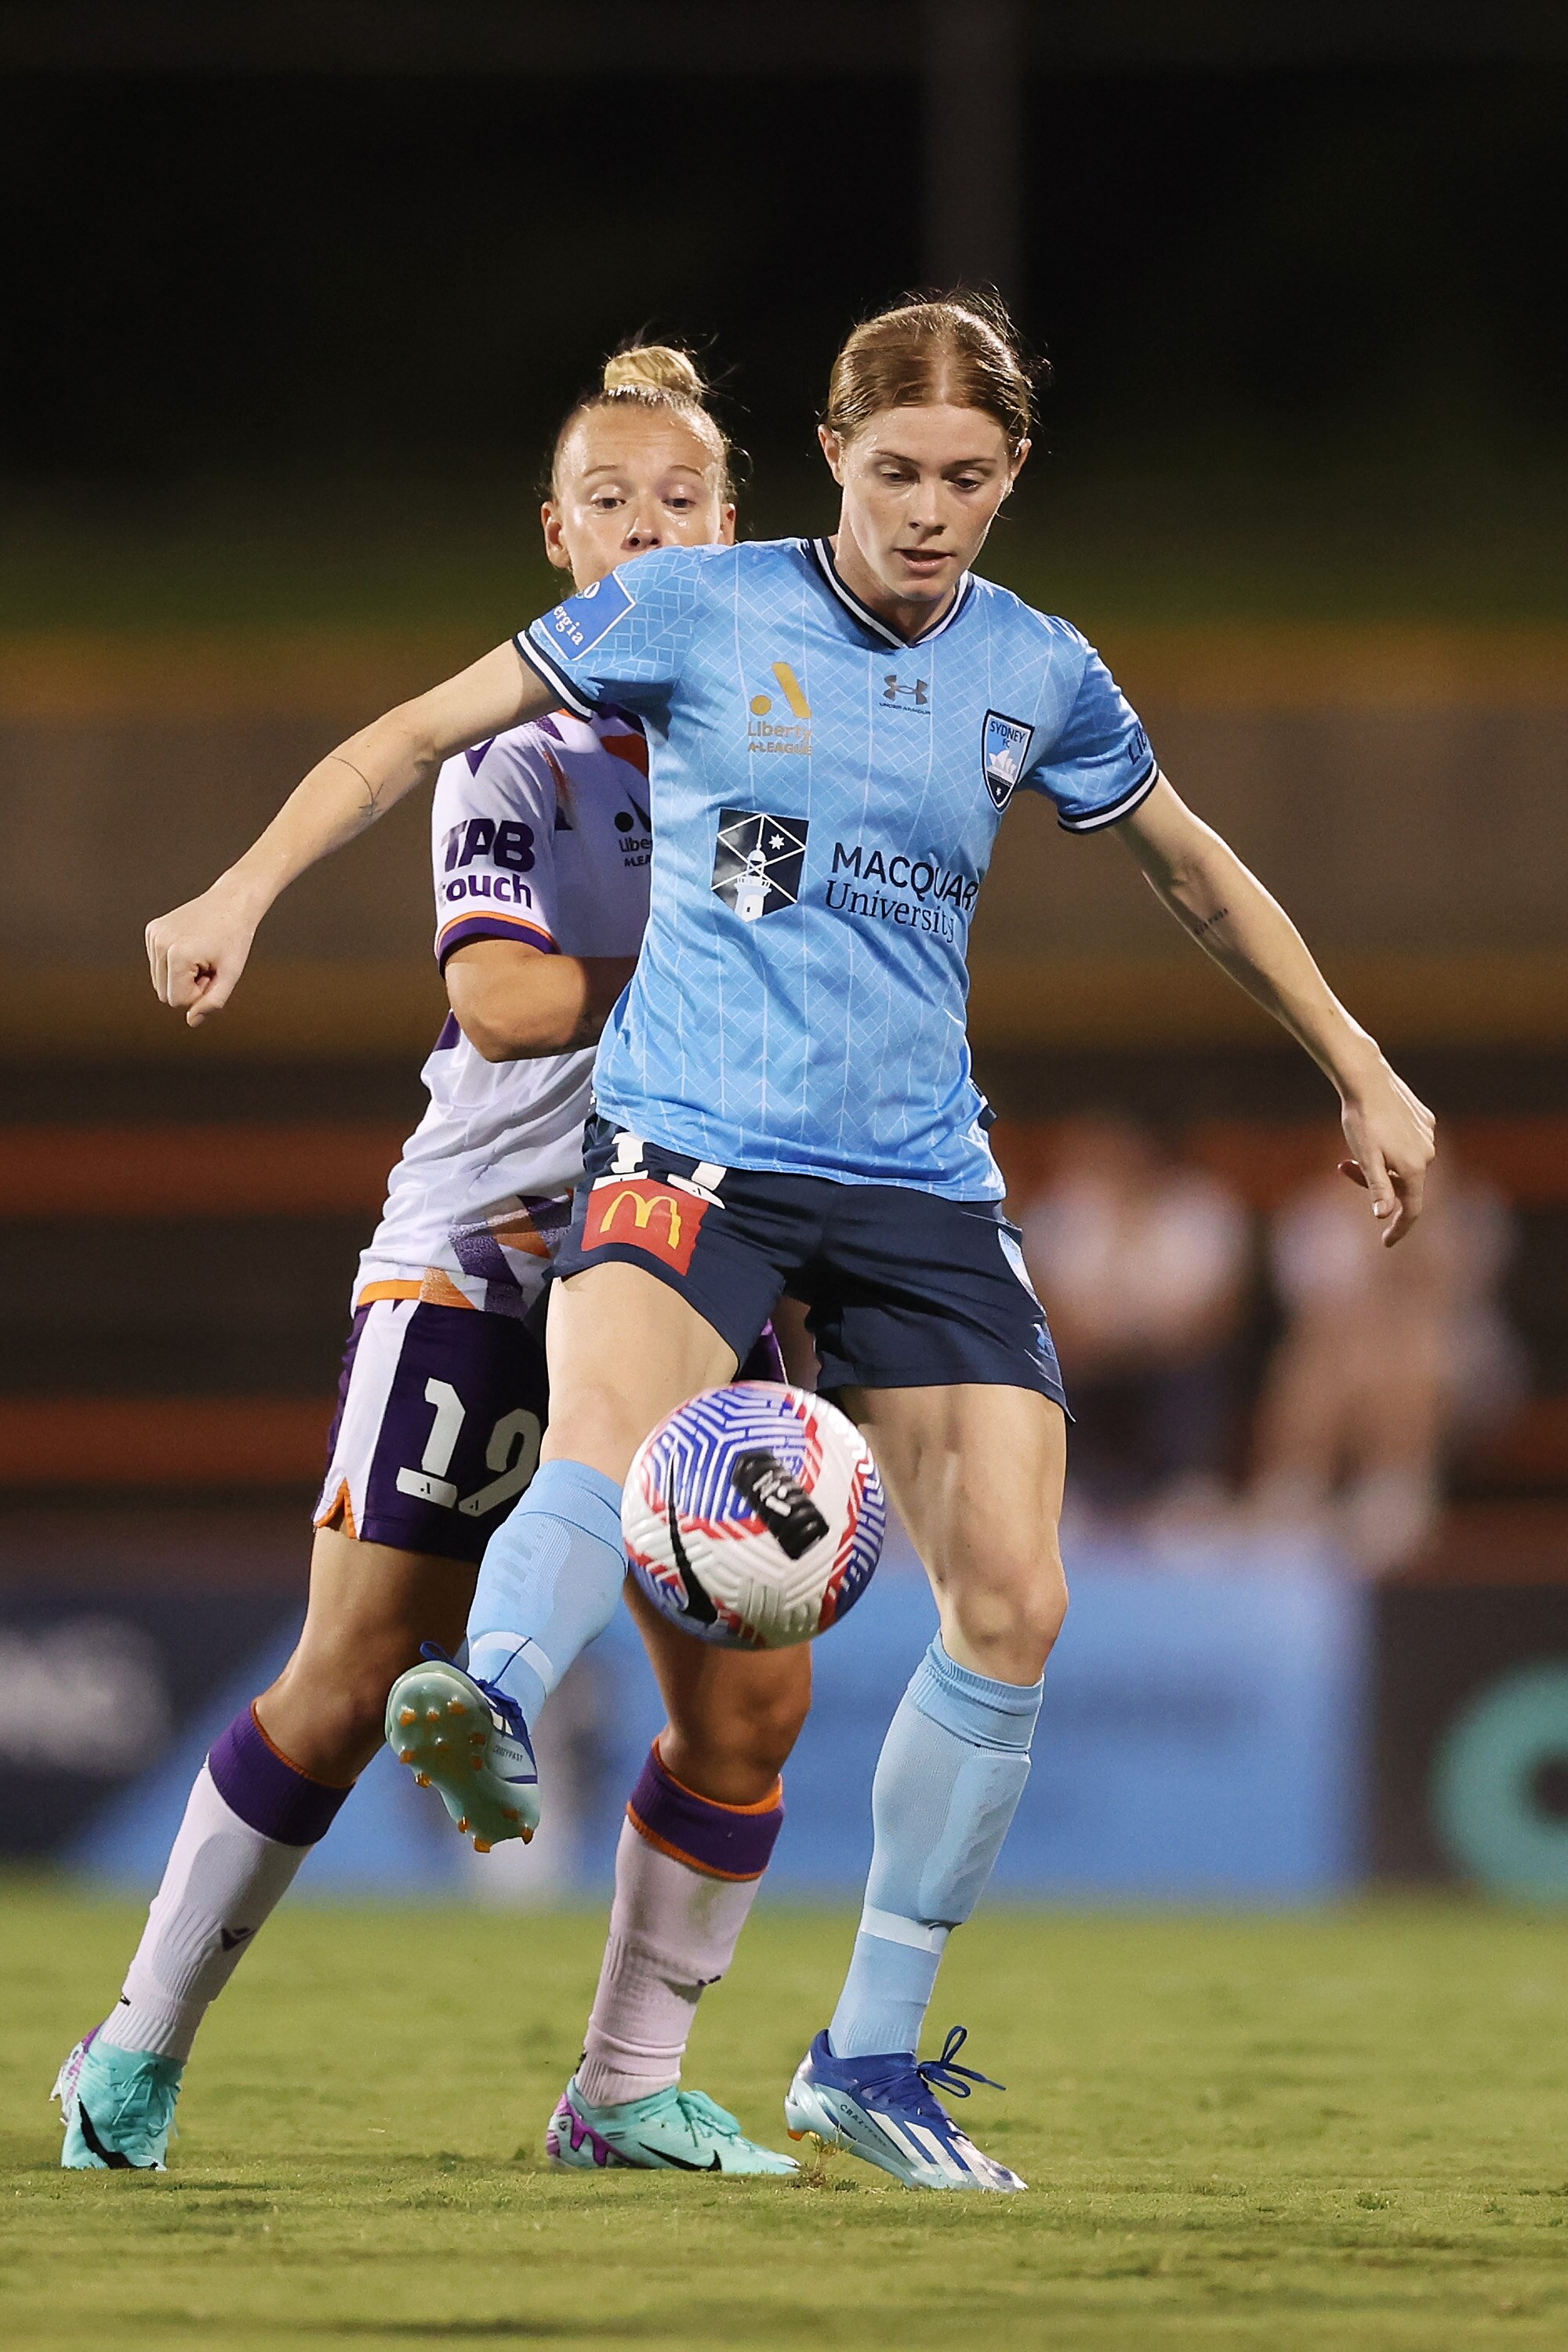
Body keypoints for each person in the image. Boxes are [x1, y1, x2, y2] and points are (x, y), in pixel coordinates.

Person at [142, 292, 1436, 2193]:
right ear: (831, 455)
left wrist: (1355, 1058)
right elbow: (426, 725)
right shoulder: (693, 605)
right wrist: (240, 883)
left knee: (1015, 1599)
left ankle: (869, 2055)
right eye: (895, 470)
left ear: (1010, 479)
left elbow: (1186, 861)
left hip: (916, 1175)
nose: (927, 512)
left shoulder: (1037, 669)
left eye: (967, 479)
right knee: (599, 1438)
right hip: (696, 1141)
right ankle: (488, 1699)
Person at [56, 346, 808, 2179]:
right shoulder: (517, 751)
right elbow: (501, 990)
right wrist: (717, 980)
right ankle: (131, 2050)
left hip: (704, 1259)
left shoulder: (786, 746)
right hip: (492, 1255)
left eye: (681, 501)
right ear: (559, 541)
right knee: (344, 1669)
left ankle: (622, 2083)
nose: (647, 526)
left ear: (734, 530)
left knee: (749, 1694)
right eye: (611, 502)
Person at [1250, 1155, 1519, 1573]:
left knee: (1415, 1346)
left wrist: (1413, 1219)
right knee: (1314, 1360)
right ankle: (1295, 1490)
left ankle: (1395, 1491)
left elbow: (1447, 1295)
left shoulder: (1467, 1209)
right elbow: (1311, 1311)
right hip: (1345, 1347)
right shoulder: (1316, 1213)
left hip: (1453, 1349)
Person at [1018, 1114, 1251, 1519]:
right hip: (1085, 1356)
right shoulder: (1058, 1215)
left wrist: (1145, 1336)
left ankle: (1187, 1487)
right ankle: (1068, 1487)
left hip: (1175, 1355)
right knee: (1038, 1360)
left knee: (1196, 1369)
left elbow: (1219, 1312)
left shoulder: (1198, 1209)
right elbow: (1041, 1305)